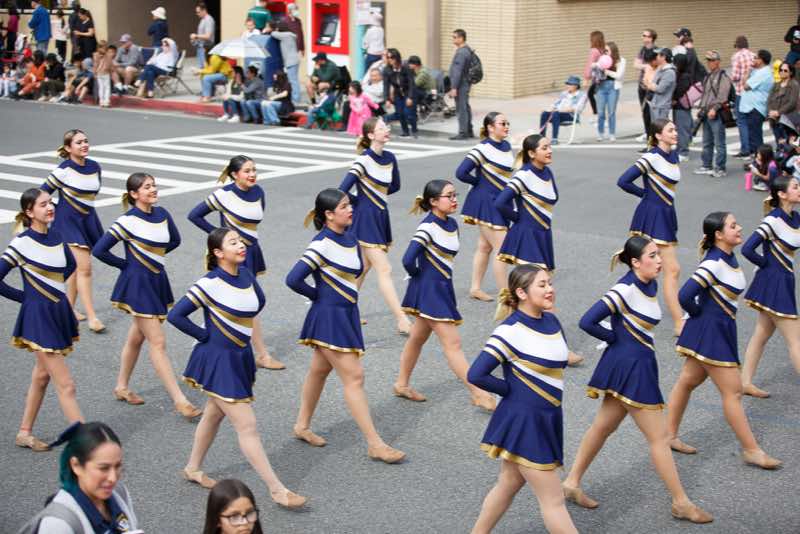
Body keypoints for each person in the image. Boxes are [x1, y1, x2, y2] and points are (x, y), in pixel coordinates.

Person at [562, 236, 713, 524]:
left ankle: (571, 482)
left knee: (602, 427)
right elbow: (587, 321)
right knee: (659, 438)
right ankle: (681, 503)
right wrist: (616, 339)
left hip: (637, 363)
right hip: (631, 368)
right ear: (635, 262)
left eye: (658, 254)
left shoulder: (649, 283)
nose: (659, 260)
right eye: (652, 256)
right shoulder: (625, 289)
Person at [168, 228, 307, 508]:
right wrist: (205, 336)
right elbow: (176, 315)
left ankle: (193, 468)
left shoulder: (246, 275)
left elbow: (258, 303)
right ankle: (277, 489)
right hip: (218, 361)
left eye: (240, 241)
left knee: (213, 414)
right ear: (218, 253)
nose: (241, 245)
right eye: (233, 243)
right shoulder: (209, 284)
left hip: (240, 357)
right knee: (247, 425)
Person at [286, 188, 406, 464]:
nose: (350, 209)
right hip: (329, 318)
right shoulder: (321, 244)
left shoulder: (351, 237)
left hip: (347, 314)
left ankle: (301, 426)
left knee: (319, 371)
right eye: (343, 206)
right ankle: (375, 444)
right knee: (355, 378)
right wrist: (319, 297)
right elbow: (293, 279)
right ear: (329, 215)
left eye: (349, 204)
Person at [665, 212, 781, 469]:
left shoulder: (728, 256)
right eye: (732, 226)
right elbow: (685, 295)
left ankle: (669, 435)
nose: (739, 228)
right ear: (718, 234)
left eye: (737, 224)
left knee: (688, 381)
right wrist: (700, 316)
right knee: (734, 391)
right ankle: (752, 450)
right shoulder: (713, 263)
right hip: (711, 333)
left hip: (719, 329)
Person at [468, 265, 577, 534]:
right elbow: (476, 374)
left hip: (548, 416)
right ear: (521, 293)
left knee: (508, 484)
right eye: (542, 285)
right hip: (526, 422)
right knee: (554, 501)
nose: (550, 289)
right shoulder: (509, 331)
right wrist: (511, 390)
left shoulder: (552, 321)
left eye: (549, 283)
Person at [92, 173, 201, 420]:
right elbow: (100, 250)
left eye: (154, 186)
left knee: (137, 337)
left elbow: (175, 240)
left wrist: (153, 257)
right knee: (158, 342)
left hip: (157, 280)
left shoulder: (162, 213)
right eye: (147, 187)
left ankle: (121, 386)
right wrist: (128, 266)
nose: (153, 190)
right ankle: (180, 401)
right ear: (134, 194)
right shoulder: (127, 221)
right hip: (137, 286)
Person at [394, 180, 495, 410]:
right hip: (431, 291)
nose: (454, 200)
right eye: (449, 196)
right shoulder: (427, 227)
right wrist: (420, 278)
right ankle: (478, 393)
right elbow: (408, 259)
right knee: (453, 344)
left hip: (442, 288)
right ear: (433, 201)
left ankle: (401, 384)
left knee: (417, 338)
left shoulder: (451, 224)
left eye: (454, 195)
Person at [0, 189, 83, 452]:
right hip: (38, 319)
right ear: (29, 211)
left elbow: (70, 266)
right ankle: (87, 444)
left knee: (42, 376)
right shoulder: (21, 244)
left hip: (57, 313)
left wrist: (52, 293)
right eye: (43, 204)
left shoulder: (56, 236)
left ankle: (24, 433)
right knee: (66, 385)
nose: (50, 207)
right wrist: (28, 298)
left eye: (51, 203)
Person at [188, 156, 286, 370]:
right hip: (231, 255)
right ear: (234, 174)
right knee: (243, 302)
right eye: (247, 171)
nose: (252, 174)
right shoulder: (223, 195)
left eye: (254, 170)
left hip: (251, 251)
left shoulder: (258, 192)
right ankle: (262, 355)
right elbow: (195, 215)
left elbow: (254, 222)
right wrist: (220, 238)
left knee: (239, 301)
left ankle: (219, 345)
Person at [338, 117, 411, 334]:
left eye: (386, 126)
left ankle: (344, 309)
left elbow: (395, 186)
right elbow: (342, 191)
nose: (386, 129)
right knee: (384, 268)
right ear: (371, 135)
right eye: (381, 128)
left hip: (381, 216)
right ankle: (401, 319)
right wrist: (362, 203)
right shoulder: (363, 160)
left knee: (364, 267)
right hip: (365, 219)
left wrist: (376, 196)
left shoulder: (390, 157)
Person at [617, 118, 684, 336]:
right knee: (671, 269)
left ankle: (625, 309)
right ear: (658, 135)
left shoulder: (673, 155)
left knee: (645, 269)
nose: (675, 133)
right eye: (670, 130)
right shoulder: (650, 158)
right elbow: (623, 181)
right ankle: (679, 322)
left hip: (667, 213)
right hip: (653, 215)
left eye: (675, 129)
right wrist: (646, 195)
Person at [740, 175, 800, 398]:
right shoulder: (772, 221)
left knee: (762, 333)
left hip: (784, 280)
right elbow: (747, 249)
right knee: (795, 339)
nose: (799, 189)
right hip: (775, 282)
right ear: (782, 194)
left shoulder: (796, 217)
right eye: (795, 187)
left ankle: (745, 382)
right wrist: (767, 265)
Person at [41, 130, 105, 332]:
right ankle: (92, 317)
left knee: (76, 269)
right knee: (85, 268)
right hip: (67, 222)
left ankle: (67, 309)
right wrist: (52, 213)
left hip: (88, 220)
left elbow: (92, 194)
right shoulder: (63, 170)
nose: (84, 145)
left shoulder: (94, 166)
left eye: (86, 141)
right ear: (68, 148)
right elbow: (42, 195)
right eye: (78, 142)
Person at [33, 422, 139, 532]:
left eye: (117, 466)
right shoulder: (57, 524)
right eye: (104, 468)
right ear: (76, 465)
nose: (113, 478)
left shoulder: (119, 493)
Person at [455, 112, 513, 301]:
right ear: (490, 127)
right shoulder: (482, 148)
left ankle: (475, 288)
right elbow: (461, 172)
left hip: (500, 200)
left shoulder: (506, 146)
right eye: (502, 123)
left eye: (507, 123)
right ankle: (506, 295)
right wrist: (480, 183)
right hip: (486, 202)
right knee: (502, 249)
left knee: (485, 246)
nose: (506, 126)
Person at [693, 51, 733, 178]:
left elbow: (723, 97)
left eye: (712, 60)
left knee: (719, 142)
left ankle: (720, 168)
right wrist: (701, 108)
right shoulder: (707, 77)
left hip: (717, 113)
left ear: (718, 61)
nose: (709, 63)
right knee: (707, 141)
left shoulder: (723, 77)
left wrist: (715, 109)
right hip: (706, 112)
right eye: (708, 60)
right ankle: (707, 165)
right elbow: (705, 95)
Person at [738, 50, 774, 161]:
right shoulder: (757, 71)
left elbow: (746, 86)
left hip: (756, 108)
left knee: (755, 138)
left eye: (756, 58)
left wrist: (748, 72)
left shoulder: (764, 73)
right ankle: (757, 160)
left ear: (761, 60)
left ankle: (761, 161)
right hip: (750, 108)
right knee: (753, 137)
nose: (753, 60)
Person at [538, 76, 585, 144]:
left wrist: (560, 110)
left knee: (555, 114)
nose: (568, 86)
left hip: (571, 115)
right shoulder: (564, 93)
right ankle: (542, 137)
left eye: (570, 84)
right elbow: (555, 104)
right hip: (557, 114)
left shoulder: (582, 95)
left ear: (576, 85)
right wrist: (549, 109)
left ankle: (554, 138)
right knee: (544, 114)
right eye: (567, 84)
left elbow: (578, 108)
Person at [382, 48, 416, 137]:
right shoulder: (387, 70)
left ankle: (414, 130)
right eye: (388, 57)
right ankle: (405, 131)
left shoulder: (406, 68)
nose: (390, 60)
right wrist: (387, 99)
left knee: (408, 113)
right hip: (398, 93)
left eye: (392, 57)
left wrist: (410, 97)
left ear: (397, 58)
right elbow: (386, 86)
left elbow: (411, 83)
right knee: (400, 113)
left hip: (408, 92)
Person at [731, 36, 756, 159]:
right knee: (752, 120)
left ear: (737, 46)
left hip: (741, 92)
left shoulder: (737, 57)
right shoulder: (754, 55)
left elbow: (735, 76)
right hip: (753, 93)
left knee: (742, 121)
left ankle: (745, 149)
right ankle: (753, 148)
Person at [595, 41, 625, 142]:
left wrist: (606, 71)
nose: (605, 52)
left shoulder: (621, 60)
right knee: (600, 112)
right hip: (601, 87)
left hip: (613, 87)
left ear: (613, 50)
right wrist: (595, 67)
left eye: (607, 50)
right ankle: (600, 133)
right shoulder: (602, 59)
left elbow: (619, 75)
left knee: (611, 112)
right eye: (604, 50)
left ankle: (612, 134)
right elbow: (596, 67)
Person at [448, 29, 473, 140]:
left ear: (461, 38)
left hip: (461, 84)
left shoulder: (461, 53)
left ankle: (463, 132)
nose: (453, 39)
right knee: (465, 107)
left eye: (454, 37)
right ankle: (468, 130)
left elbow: (458, 71)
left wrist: (454, 87)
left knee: (461, 108)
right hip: (464, 83)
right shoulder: (467, 50)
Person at [767, 62, 800, 143]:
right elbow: (769, 99)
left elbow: (792, 102)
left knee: (790, 143)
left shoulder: (794, 85)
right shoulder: (776, 85)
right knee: (779, 142)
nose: (782, 72)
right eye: (781, 70)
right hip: (774, 119)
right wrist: (770, 112)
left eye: (785, 70)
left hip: (788, 120)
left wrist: (778, 112)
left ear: (790, 72)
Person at [270, 20, 300, 103]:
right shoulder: (290, 35)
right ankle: (294, 98)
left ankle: (295, 99)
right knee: (293, 80)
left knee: (293, 81)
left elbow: (273, 34)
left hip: (291, 61)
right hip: (294, 60)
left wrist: (273, 30)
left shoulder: (285, 35)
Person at [645, 48, 676, 121]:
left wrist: (649, 85)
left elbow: (660, 89)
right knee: (654, 126)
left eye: (658, 55)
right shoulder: (660, 68)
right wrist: (650, 85)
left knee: (660, 126)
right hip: (655, 104)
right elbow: (653, 82)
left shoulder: (669, 72)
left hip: (661, 107)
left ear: (664, 57)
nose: (656, 57)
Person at [672, 54, 693, 161]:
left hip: (682, 106)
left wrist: (673, 98)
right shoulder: (682, 74)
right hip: (679, 106)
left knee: (682, 129)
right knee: (679, 128)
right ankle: (679, 149)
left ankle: (684, 152)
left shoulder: (684, 76)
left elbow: (680, 91)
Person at [583, 31, 605, 118]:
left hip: (596, 78)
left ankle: (597, 114)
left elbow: (590, 64)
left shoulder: (594, 51)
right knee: (600, 95)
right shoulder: (603, 50)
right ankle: (600, 114)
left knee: (590, 94)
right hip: (604, 77)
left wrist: (586, 78)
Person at [192, 2, 216, 70]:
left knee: (205, 69)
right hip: (201, 47)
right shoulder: (203, 20)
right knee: (202, 68)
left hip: (206, 48)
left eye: (198, 12)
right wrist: (195, 39)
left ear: (204, 10)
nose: (197, 14)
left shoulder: (208, 20)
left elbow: (208, 36)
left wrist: (196, 36)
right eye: (196, 12)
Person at [93, 42, 115, 108]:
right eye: (104, 47)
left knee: (102, 87)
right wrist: (112, 70)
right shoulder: (108, 55)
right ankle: (106, 101)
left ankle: (102, 101)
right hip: (105, 72)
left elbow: (95, 64)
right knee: (106, 87)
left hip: (100, 72)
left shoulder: (96, 54)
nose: (105, 48)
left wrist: (94, 72)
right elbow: (110, 64)